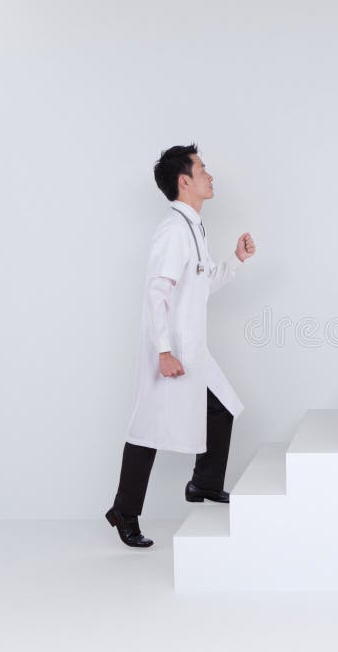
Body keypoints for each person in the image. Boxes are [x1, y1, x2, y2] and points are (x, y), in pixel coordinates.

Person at [105, 143, 256, 548]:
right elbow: (158, 292)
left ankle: (203, 484)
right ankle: (124, 510)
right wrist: (163, 350)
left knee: (222, 407)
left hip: (193, 349)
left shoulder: (193, 228)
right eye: (203, 169)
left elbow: (201, 287)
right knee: (149, 427)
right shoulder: (174, 230)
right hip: (172, 350)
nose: (211, 175)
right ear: (184, 181)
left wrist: (236, 260)